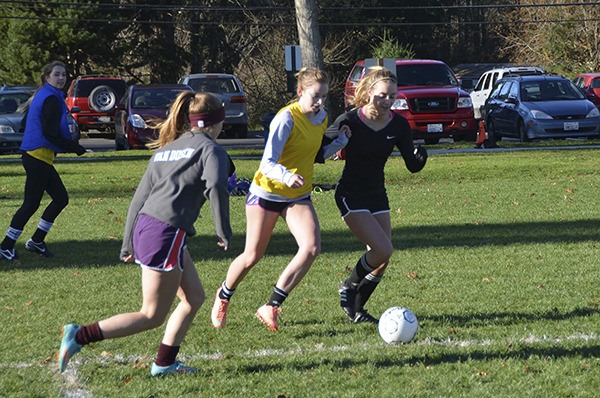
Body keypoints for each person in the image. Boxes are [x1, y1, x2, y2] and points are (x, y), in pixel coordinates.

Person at [58, 91, 233, 376]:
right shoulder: (211, 150)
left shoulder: (167, 149)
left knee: (194, 298)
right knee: (151, 314)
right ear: (217, 120)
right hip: (165, 233)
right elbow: (216, 187)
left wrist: (127, 243)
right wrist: (223, 230)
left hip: (149, 227)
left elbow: (138, 200)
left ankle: (164, 364)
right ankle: (80, 335)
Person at [210, 67, 349, 331]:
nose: (320, 102)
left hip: (297, 195)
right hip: (267, 193)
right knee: (252, 256)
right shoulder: (286, 118)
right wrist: (286, 176)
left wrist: (340, 142)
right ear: (300, 92)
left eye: (323, 96)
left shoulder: (321, 118)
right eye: (315, 96)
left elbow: (314, 155)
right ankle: (224, 294)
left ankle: (271, 306)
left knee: (311, 248)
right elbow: (267, 163)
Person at [328, 67, 428, 324]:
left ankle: (357, 311)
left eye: (392, 96)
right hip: (350, 193)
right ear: (369, 92)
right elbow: (321, 151)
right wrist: (337, 143)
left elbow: (411, 165)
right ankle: (348, 287)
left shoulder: (398, 124)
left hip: (377, 194)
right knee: (382, 249)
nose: (387, 101)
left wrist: (420, 158)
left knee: (382, 259)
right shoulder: (348, 120)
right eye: (382, 95)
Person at [0, 61, 86, 262]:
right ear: (47, 77)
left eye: (64, 75)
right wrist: (74, 147)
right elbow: (51, 133)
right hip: (36, 157)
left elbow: (24, 123)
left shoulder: (44, 95)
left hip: (38, 157)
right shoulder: (50, 98)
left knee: (60, 199)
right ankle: (6, 246)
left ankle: (37, 241)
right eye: (57, 75)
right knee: (30, 204)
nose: (61, 78)